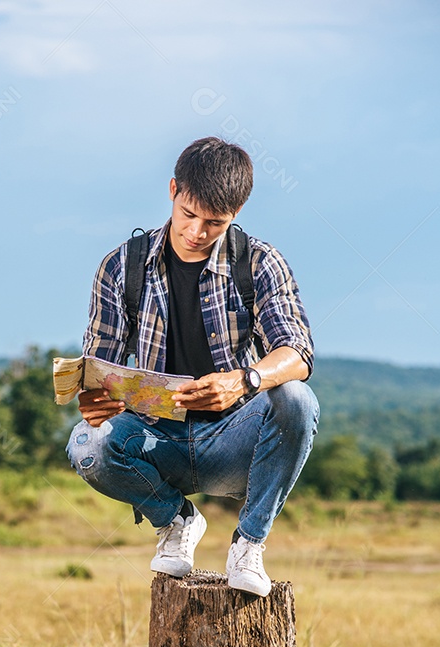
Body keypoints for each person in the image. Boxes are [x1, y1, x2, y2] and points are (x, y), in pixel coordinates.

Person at [66, 137, 318, 596]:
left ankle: (249, 544)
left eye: (214, 223)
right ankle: (177, 519)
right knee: (87, 445)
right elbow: (99, 362)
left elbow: (297, 353)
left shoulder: (260, 263)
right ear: (172, 191)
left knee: (297, 399)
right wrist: (95, 401)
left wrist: (246, 380)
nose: (197, 232)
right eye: (189, 214)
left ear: (236, 214)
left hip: (234, 441)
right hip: (154, 440)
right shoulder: (122, 266)